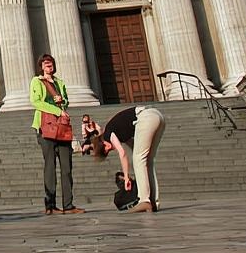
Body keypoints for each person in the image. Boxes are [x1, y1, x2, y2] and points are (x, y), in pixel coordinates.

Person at [30, 54, 82, 215]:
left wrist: (62, 102)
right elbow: (36, 102)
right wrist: (57, 111)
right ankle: (50, 205)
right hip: (45, 127)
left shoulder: (59, 82)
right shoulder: (37, 81)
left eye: (51, 63)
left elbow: (66, 101)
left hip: (62, 128)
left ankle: (68, 205)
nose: (49, 65)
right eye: (45, 63)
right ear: (41, 66)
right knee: (50, 166)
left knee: (67, 167)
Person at [91, 105, 167, 213]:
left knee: (139, 159)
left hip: (145, 118)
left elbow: (122, 153)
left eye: (107, 149)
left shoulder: (108, 133)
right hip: (156, 115)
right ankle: (153, 201)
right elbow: (135, 147)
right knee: (147, 160)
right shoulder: (120, 132)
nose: (110, 149)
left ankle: (144, 200)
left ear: (103, 143)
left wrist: (126, 177)